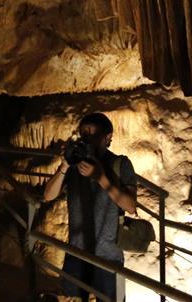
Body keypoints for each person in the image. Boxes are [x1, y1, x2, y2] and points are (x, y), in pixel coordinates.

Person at [42, 113, 138, 302]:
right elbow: (48, 196)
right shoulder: (75, 165)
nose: (87, 140)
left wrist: (101, 178)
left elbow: (130, 206)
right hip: (76, 253)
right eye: (83, 135)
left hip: (108, 256)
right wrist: (65, 164)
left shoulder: (120, 164)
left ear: (108, 137)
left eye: (93, 135)